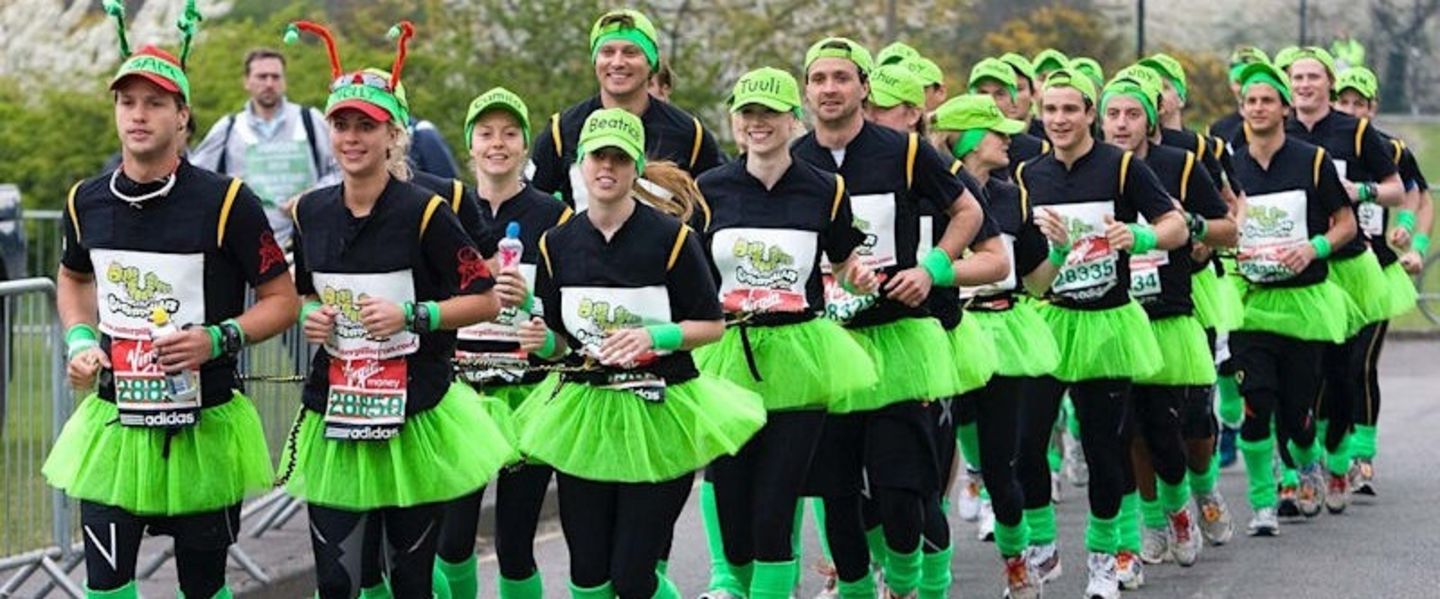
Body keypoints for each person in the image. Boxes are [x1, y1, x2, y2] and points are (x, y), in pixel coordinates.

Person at [44, 4, 300, 598]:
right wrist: (82, 340)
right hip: (116, 423)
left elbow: (281, 299)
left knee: (203, 588)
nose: (139, 114)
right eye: (127, 101)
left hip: (204, 422)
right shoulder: (86, 200)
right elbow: (73, 278)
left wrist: (217, 337)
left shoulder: (227, 200)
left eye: (155, 102)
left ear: (182, 116)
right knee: (106, 586)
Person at [278, 21, 517, 598]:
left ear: (393, 136)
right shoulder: (309, 212)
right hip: (337, 411)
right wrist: (312, 317)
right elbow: (308, 294)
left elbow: (484, 298)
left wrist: (414, 316)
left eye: (367, 125)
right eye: (342, 125)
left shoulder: (426, 212)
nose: (353, 137)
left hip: (414, 414)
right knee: (339, 581)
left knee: (410, 579)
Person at [512, 108, 766, 599]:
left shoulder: (671, 239)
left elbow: (711, 326)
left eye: (619, 158)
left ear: (635, 167)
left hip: (658, 410)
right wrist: (540, 341)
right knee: (588, 574)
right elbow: (561, 344)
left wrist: (655, 337)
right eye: (597, 157)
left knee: (632, 576)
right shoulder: (556, 244)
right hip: (585, 413)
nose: (607, 168)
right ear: (582, 164)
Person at [792, 36, 988, 599]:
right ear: (807, 91)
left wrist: (931, 268)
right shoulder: (794, 160)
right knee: (839, 492)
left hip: (898, 340)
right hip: (826, 344)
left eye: (841, 78)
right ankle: (857, 590)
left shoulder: (902, 151)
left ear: (863, 88)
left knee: (902, 490)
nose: (830, 89)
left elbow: (968, 210)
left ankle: (903, 583)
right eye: (819, 79)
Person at [691, 66, 879, 599]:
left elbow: (844, 264)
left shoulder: (825, 189)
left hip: (799, 355)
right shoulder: (712, 189)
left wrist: (857, 276)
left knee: (775, 507)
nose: (758, 124)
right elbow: (693, 274)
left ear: (793, 121)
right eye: (748, 114)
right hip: (730, 355)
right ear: (735, 122)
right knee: (732, 510)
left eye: (769, 114)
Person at [1017, 68, 1187, 599]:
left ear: (1090, 114)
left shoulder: (1120, 168)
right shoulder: (1027, 175)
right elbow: (1024, 266)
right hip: (1049, 319)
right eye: (1051, 110)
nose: (1060, 119)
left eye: (1072, 109)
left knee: (1104, 447)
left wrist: (1137, 235)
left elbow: (1175, 225)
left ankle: (1103, 560)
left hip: (1108, 321)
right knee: (1026, 445)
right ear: (1041, 116)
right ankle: (1041, 549)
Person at [869, 61, 1010, 599]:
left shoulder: (937, 178)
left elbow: (995, 261)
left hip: (930, 343)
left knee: (919, 485)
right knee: (858, 486)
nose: (866, 117)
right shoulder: (841, 175)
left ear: (910, 115)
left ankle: (930, 585)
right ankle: (875, 575)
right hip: (855, 345)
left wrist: (933, 271)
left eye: (878, 107)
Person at [1098, 71, 1239, 570]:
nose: (1120, 124)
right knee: (1126, 432)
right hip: (1112, 317)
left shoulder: (1179, 165)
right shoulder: (1094, 170)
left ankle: (1192, 495)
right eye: (1112, 114)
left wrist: (1194, 227)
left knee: (1178, 427)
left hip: (1171, 314)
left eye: (1132, 114)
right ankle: (1153, 524)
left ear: (1150, 120)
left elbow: (1229, 229)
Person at [930, 93, 1057, 599]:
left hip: (1004, 335)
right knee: (933, 462)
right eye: (996, 131)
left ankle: (1016, 561)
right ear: (966, 139)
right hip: (944, 332)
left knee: (1004, 459)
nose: (1009, 138)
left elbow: (1037, 282)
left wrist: (1061, 249)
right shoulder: (928, 191)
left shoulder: (1011, 196)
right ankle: (917, 569)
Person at [1224, 60, 1357, 537]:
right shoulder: (1228, 165)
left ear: (1284, 108)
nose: (1258, 108)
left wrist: (1314, 247)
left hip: (1302, 303)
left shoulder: (1312, 161)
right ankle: (1262, 502)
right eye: (1250, 101)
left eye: (1267, 100)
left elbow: (1346, 223)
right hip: (1251, 302)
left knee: (1299, 414)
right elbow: (1219, 227)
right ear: (1241, 109)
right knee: (1255, 403)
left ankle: (1306, 460)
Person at [1275, 46, 1404, 515]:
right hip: (1297, 270)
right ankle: (1294, 472)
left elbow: (1398, 189)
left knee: (1344, 372)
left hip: (1349, 265)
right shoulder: (1278, 131)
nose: (1305, 85)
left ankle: (1337, 461)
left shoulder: (1357, 132)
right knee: (1295, 377)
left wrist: (1361, 190)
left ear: (1329, 82)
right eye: (1297, 77)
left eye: (1313, 77)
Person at [1330, 66, 1428, 497]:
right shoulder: (1316, 148)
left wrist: (1412, 239)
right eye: (1344, 102)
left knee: (1360, 364)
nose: (1351, 111)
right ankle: (1327, 450)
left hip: (1378, 272)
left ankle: (1362, 454)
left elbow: (1418, 198)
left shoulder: (1391, 148)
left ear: (1373, 108)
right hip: (1331, 273)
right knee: (1327, 367)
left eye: (1359, 104)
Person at [528, 9, 723, 210]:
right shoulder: (562, 129)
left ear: (651, 62)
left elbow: (716, 206)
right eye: (607, 52)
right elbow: (532, 206)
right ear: (595, 60)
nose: (618, 62)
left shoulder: (690, 133)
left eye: (631, 52)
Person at [191, 47, 337, 247]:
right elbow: (194, 177)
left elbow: (341, 171)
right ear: (247, 82)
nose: (269, 83)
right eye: (262, 76)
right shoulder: (228, 128)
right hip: (246, 247)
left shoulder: (310, 120)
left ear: (284, 82)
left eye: (276, 77)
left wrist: (313, 198)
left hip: (309, 242)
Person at [968, 57, 1050, 179]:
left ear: (1012, 100)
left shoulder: (1037, 148)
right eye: (982, 93)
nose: (990, 101)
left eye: (999, 94)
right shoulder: (954, 140)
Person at [1208, 46, 1270, 147]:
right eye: (1239, 82)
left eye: (1252, 81)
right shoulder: (1219, 129)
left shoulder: (1282, 126)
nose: (1245, 88)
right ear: (1231, 85)